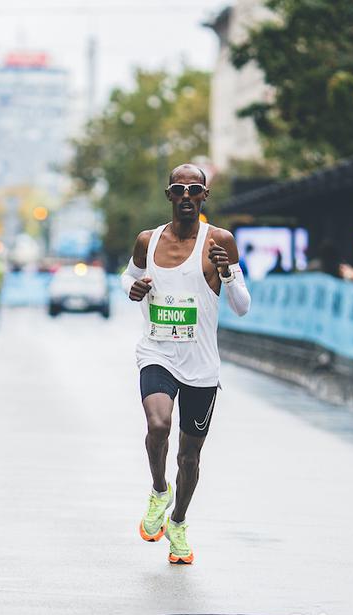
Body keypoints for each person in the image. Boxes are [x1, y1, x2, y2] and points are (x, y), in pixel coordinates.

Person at [121, 164, 251, 565]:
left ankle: (177, 522)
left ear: (204, 196)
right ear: (169, 195)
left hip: (201, 365)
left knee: (189, 456)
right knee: (158, 424)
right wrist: (135, 287)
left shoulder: (220, 241)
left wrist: (227, 272)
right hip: (157, 352)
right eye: (179, 189)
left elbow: (242, 306)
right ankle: (159, 491)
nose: (187, 196)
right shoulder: (149, 240)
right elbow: (127, 279)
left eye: (195, 189)